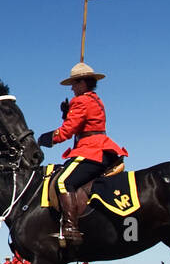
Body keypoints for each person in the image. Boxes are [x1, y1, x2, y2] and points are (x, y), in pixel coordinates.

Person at [37, 62, 128, 246]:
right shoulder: (95, 99)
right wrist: (67, 113)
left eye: (74, 83)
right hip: (103, 147)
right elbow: (84, 123)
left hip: (91, 149)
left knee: (63, 181)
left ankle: (71, 228)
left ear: (84, 83)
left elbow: (68, 131)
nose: (72, 88)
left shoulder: (81, 101)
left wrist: (46, 139)